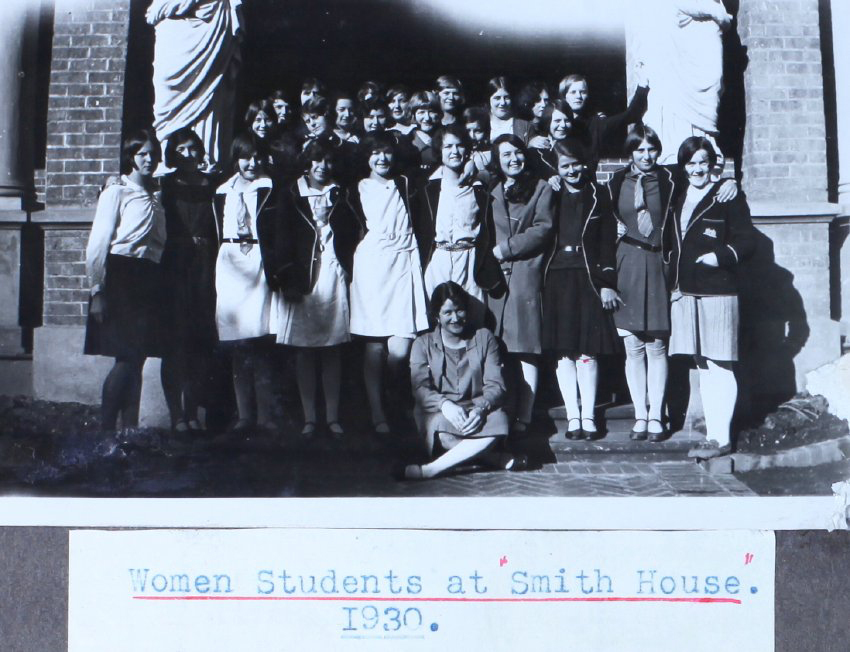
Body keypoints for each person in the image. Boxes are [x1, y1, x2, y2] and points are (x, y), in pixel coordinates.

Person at [667, 137, 755, 458]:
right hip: (685, 291)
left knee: (720, 364)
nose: (697, 169)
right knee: (702, 364)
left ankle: (721, 438)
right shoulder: (677, 195)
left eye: (703, 162)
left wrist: (720, 256)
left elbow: (747, 241)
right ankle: (714, 436)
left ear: (713, 164)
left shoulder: (727, 196)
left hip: (718, 290)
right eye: (690, 163)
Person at [268, 140, 362, 438]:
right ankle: (310, 417)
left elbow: (354, 231)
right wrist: (286, 278)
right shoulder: (292, 193)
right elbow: (280, 238)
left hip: (333, 275)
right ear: (307, 163)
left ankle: (332, 416)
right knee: (305, 351)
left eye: (328, 161)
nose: (322, 167)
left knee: (332, 349)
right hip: (303, 277)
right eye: (317, 161)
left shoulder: (341, 192)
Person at [85, 129, 167, 432]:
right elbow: (98, 243)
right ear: (130, 157)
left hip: (150, 277)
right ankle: (105, 431)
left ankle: (129, 433)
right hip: (122, 276)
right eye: (142, 153)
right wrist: (97, 290)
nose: (149, 158)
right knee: (126, 357)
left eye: (152, 153)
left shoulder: (156, 194)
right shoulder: (116, 192)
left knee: (138, 358)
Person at [348, 132, 430, 435]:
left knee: (400, 350)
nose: (381, 159)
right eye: (375, 153)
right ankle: (377, 411)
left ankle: (398, 404)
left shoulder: (405, 183)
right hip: (372, 267)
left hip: (403, 264)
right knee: (373, 348)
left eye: (386, 153)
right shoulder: (357, 189)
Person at [542, 139, 620, 439]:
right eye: (565, 166)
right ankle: (572, 416)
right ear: (556, 169)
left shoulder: (598, 195)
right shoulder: (550, 194)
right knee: (564, 351)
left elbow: (605, 244)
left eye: (576, 164)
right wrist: (549, 185)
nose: (572, 171)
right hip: (557, 278)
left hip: (588, 278)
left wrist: (606, 284)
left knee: (587, 349)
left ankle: (588, 416)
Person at [406, 282, 524, 479]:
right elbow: (420, 387)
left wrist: (481, 409)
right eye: (448, 313)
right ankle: (494, 459)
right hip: (441, 411)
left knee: (500, 419)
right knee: (443, 434)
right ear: (437, 315)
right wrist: (445, 405)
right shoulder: (422, 344)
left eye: (459, 310)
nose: (455, 318)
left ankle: (429, 470)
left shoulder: (484, 338)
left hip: (477, 409)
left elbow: (496, 384)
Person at [607, 125, 676, 440]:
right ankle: (641, 415)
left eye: (651, 149)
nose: (646, 156)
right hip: (628, 262)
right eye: (640, 150)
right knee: (633, 345)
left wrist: (729, 181)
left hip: (657, 261)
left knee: (657, 344)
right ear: (630, 152)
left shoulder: (670, 180)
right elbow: (602, 218)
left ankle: (657, 416)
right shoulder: (617, 181)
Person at [486, 134, 555, 433]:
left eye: (517, 153)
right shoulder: (491, 189)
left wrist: (507, 248)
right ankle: (501, 411)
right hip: (494, 278)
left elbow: (543, 228)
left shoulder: (541, 188)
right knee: (497, 348)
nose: (513, 159)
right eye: (506, 156)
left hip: (525, 273)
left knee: (525, 348)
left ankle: (524, 416)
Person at [213, 135, 277, 432]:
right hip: (230, 263)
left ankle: (264, 416)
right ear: (235, 158)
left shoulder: (269, 188)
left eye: (256, 157)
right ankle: (244, 415)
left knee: (260, 340)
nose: (252, 163)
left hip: (258, 261)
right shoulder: (222, 190)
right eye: (245, 157)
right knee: (238, 344)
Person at [158, 128, 219, 433]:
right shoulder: (164, 185)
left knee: (199, 342)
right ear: (172, 154)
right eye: (181, 149)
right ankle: (176, 415)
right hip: (175, 267)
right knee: (175, 343)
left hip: (205, 267)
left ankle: (193, 411)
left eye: (193, 148)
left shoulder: (212, 185)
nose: (189, 154)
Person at [421, 125, 504, 325]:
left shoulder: (479, 187)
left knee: (472, 319)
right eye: (448, 146)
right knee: (439, 320)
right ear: (440, 150)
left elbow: (498, 161)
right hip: (438, 259)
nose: (455, 151)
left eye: (460, 146)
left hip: (469, 260)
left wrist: (474, 162)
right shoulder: (428, 188)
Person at [147, 0, 243, 168]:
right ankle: (167, 165)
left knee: (209, 99)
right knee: (167, 109)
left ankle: (207, 169)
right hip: (174, 39)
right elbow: (154, 13)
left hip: (212, 29)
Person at [559, 71, 649, 174]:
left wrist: (642, 86)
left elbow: (631, 115)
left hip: (587, 184)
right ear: (564, 95)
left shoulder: (596, 124)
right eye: (573, 92)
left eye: (582, 92)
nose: (578, 96)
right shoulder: (556, 123)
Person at [528, 100, 580, 184]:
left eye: (567, 121)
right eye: (557, 121)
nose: (563, 125)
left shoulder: (579, 148)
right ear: (547, 122)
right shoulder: (536, 152)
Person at [487, 77, 534, 145]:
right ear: (489, 99)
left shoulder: (525, 126)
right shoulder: (480, 125)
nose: (503, 103)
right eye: (497, 98)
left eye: (506, 98)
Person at [408, 90, 442, 177]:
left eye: (431, 111)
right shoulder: (408, 141)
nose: (427, 118)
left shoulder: (446, 137)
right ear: (414, 115)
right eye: (421, 112)